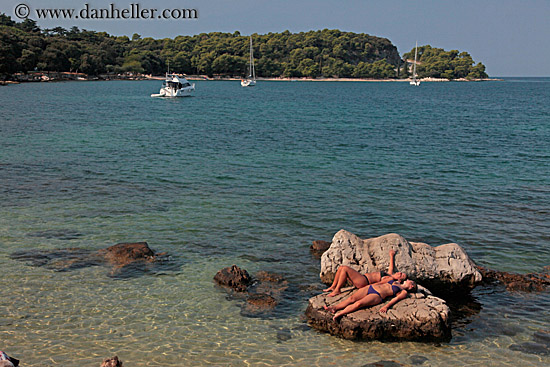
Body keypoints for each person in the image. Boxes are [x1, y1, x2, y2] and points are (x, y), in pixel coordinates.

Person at [323, 249, 407, 297]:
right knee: (341, 267)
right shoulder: (390, 275)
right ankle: (333, 286)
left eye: (402, 275)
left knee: (345, 268)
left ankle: (337, 290)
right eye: (401, 272)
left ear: (399, 280)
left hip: (364, 281)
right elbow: (391, 267)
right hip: (362, 278)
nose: (400, 273)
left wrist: (366, 288)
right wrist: (391, 255)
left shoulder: (390, 279)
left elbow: (380, 283)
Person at [324, 279, 417, 321]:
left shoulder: (403, 292)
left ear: (411, 286)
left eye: (410, 281)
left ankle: (340, 313)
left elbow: (396, 299)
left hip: (377, 295)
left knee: (358, 304)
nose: (408, 279)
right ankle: (334, 308)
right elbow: (381, 281)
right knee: (351, 298)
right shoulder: (396, 281)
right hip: (370, 287)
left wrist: (386, 306)